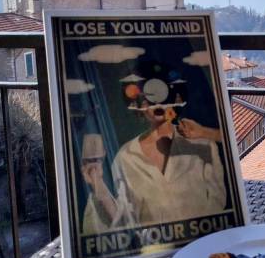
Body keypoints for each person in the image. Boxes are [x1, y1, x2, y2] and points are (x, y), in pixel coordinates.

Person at [81, 75, 226, 235]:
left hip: (202, 245)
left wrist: (205, 133)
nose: (157, 102)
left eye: (162, 94)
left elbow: (218, 201)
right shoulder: (126, 157)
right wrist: (99, 187)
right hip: (154, 252)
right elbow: (123, 221)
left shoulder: (202, 144)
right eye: (149, 97)